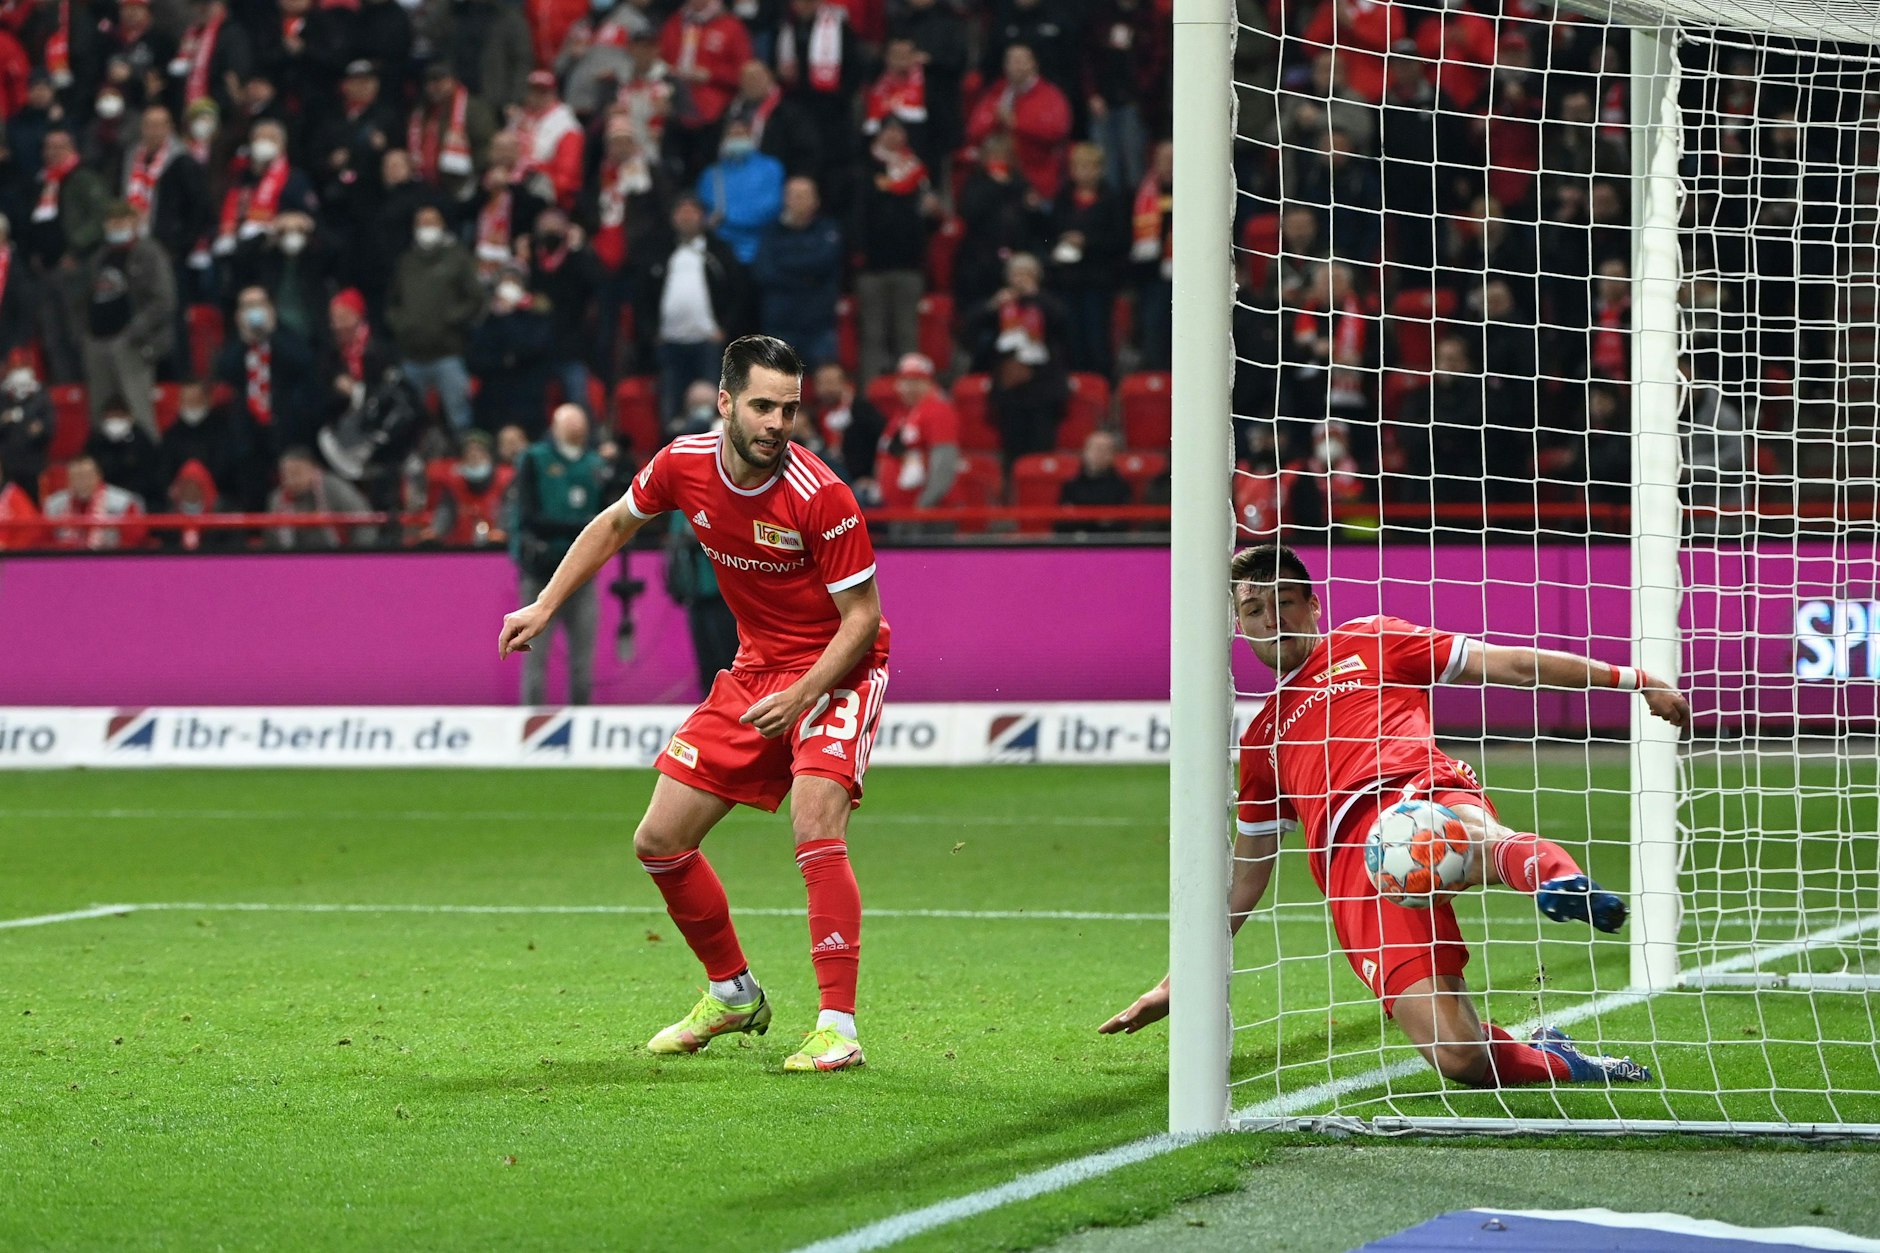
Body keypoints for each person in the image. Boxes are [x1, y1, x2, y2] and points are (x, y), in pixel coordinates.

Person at [1100, 544, 1686, 1089]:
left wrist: (1633, 681)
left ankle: (1558, 879)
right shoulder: (1261, 741)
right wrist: (1176, 983)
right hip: (1355, 875)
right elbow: (1248, 876)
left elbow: (1510, 665)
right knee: (1456, 1057)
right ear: (1239, 624)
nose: (1272, 620)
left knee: (1468, 836)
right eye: (1255, 610)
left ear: (1313, 604)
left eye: (1283, 603)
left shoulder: (1370, 639)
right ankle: (1558, 1058)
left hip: (1416, 792)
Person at [498, 335, 888, 1074]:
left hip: (836, 670)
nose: (778, 423)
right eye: (764, 405)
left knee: (815, 818)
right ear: (726, 402)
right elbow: (616, 522)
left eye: (791, 408)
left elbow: (862, 618)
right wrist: (546, 603)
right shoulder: (683, 463)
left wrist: (803, 694)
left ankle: (838, 1025)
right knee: (659, 838)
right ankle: (733, 991)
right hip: (755, 670)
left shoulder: (821, 495)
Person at [509, 403, 612, 705]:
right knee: (534, 658)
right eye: (570, 425)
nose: (576, 431)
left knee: (582, 662)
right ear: (555, 428)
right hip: (541, 573)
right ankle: (531, 727)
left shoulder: (595, 464)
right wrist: (582, 527)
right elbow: (529, 516)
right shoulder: (534, 459)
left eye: (580, 425)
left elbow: (609, 514)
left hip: (582, 576)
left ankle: (580, 730)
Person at [386, 205, 484, 433]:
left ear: (442, 226)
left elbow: (475, 298)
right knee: (408, 418)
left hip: (447, 353)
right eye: (422, 223)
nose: (426, 228)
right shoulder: (406, 261)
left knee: (459, 417)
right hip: (412, 355)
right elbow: (393, 301)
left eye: (432, 223)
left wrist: (451, 318)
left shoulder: (457, 257)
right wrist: (401, 324)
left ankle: (467, 459)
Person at [83, 200, 175, 435]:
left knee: (139, 410)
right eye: (112, 222)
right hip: (97, 342)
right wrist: (84, 336)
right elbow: (82, 300)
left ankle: (149, 464)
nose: (116, 227)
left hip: (130, 344)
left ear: (134, 223)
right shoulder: (99, 257)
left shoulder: (149, 252)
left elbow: (164, 300)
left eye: (121, 221)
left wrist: (134, 332)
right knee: (100, 413)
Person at [750, 175, 840, 367]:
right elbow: (763, 272)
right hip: (781, 324)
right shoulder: (770, 232)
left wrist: (785, 264)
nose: (799, 201)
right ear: (785, 199)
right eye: (794, 195)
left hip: (819, 324)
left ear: (816, 201)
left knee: (826, 385)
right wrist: (808, 278)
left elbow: (824, 263)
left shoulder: (827, 230)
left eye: (804, 195)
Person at [880, 351, 957, 509]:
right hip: (899, 508)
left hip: (928, 512)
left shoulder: (938, 411)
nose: (909, 387)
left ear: (929, 383)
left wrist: (924, 505)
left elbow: (944, 463)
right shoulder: (902, 414)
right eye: (905, 381)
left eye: (916, 381)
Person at [267, 446, 374, 550]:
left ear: (313, 470)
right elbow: (272, 540)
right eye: (286, 474)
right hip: (296, 561)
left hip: (340, 556)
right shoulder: (277, 499)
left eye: (296, 473)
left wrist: (357, 556)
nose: (290, 479)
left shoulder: (334, 488)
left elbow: (365, 521)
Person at [423, 430, 513, 546]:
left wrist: (502, 530)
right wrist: (435, 531)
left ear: (490, 456)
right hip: (460, 550)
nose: (473, 456)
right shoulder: (453, 483)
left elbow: (509, 510)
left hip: (496, 549)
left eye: (479, 451)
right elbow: (445, 512)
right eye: (468, 452)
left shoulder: (505, 482)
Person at [43, 454, 149, 549]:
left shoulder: (123, 502)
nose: (82, 482)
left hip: (111, 562)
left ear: (98, 476)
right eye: (76, 477)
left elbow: (133, 542)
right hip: (64, 563)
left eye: (86, 476)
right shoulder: (53, 504)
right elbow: (45, 541)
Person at [84, 395, 167, 508]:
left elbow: (152, 475)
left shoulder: (141, 439)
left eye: (119, 416)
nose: (115, 421)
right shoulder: (96, 441)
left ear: (129, 417)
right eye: (111, 417)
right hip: (103, 499)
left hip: (138, 497)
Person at [1056, 428, 1130, 534]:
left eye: (1104, 450)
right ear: (1085, 452)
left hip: (1109, 544)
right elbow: (1062, 521)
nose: (1099, 454)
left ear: (1112, 456)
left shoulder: (1121, 486)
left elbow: (1123, 522)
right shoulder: (1071, 485)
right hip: (1076, 543)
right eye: (1094, 449)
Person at [0, 361, 52, 501]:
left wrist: (40, 430)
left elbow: (49, 428)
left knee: (32, 502)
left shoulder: (41, 400)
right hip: (8, 465)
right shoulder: (3, 399)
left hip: (32, 465)